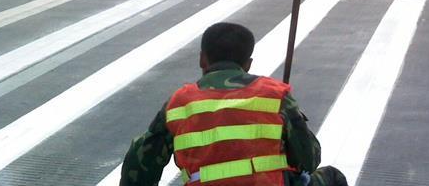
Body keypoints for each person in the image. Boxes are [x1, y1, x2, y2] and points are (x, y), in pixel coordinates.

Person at [119, 22, 348, 186]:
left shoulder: (179, 103)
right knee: (332, 178)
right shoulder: (274, 96)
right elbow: (308, 160)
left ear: (202, 58)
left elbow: (140, 167)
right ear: (247, 64)